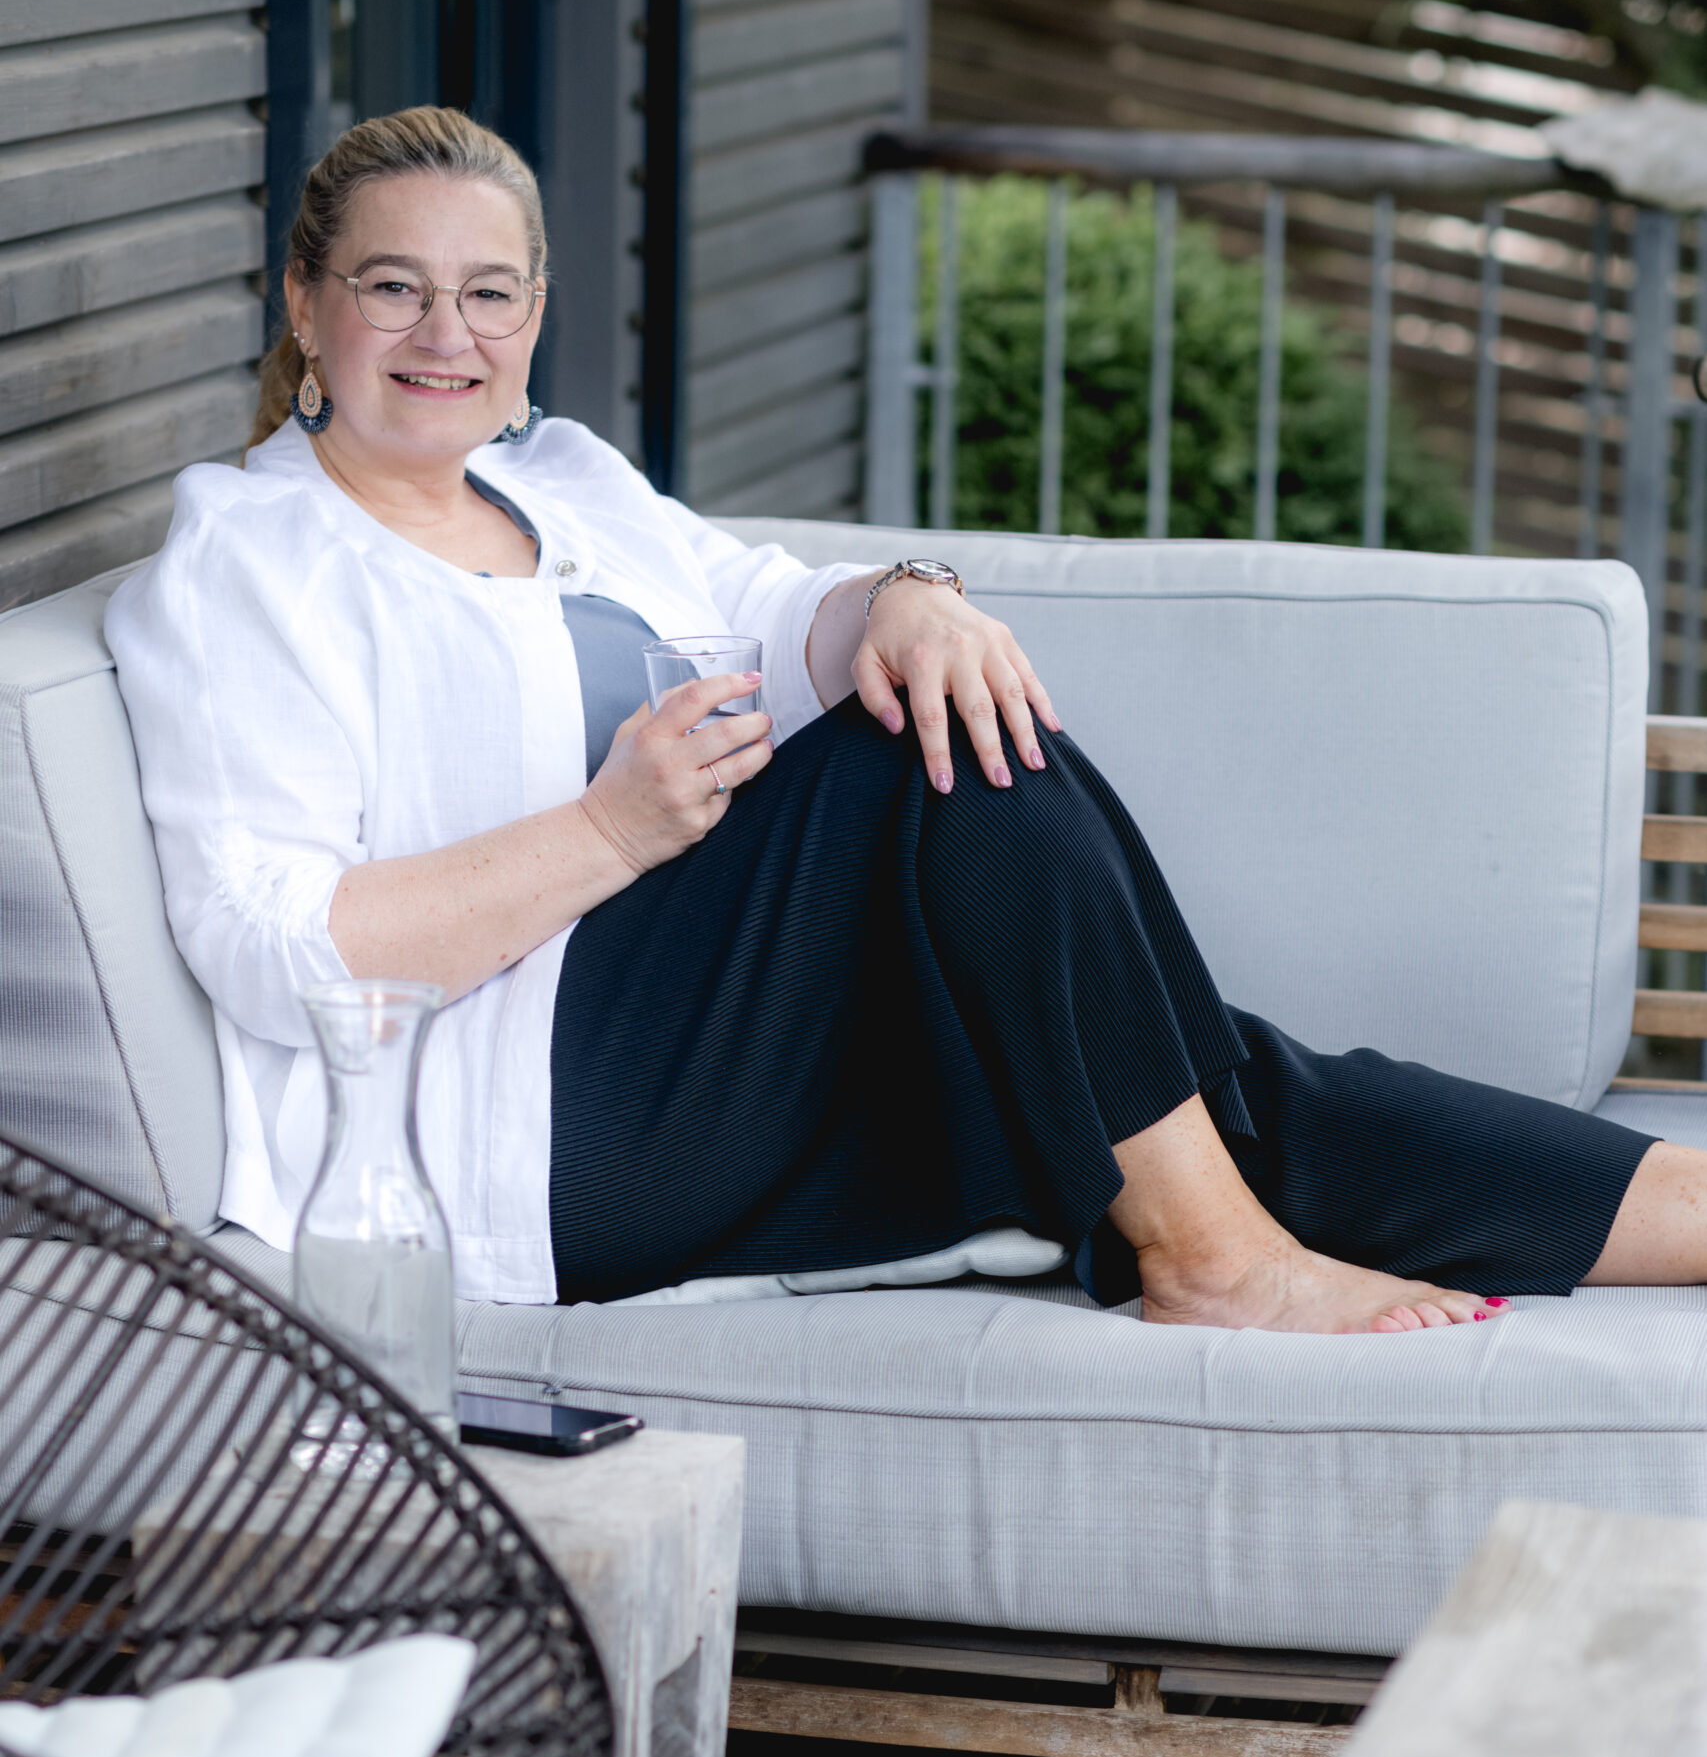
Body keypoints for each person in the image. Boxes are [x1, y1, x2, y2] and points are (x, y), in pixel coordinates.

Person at [105, 107, 1707, 1334]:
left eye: (487, 293)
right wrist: (608, 829)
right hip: (526, 1136)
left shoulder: (561, 482)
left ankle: (1282, 1226)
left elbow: (774, 607)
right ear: (309, 304)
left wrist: (911, 598)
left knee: (1193, 1086)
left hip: (714, 1055)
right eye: (394, 288)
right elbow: (276, 945)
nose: (445, 335)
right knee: (920, 761)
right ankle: (1217, 1261)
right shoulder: (249, 561)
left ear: (531, 321)